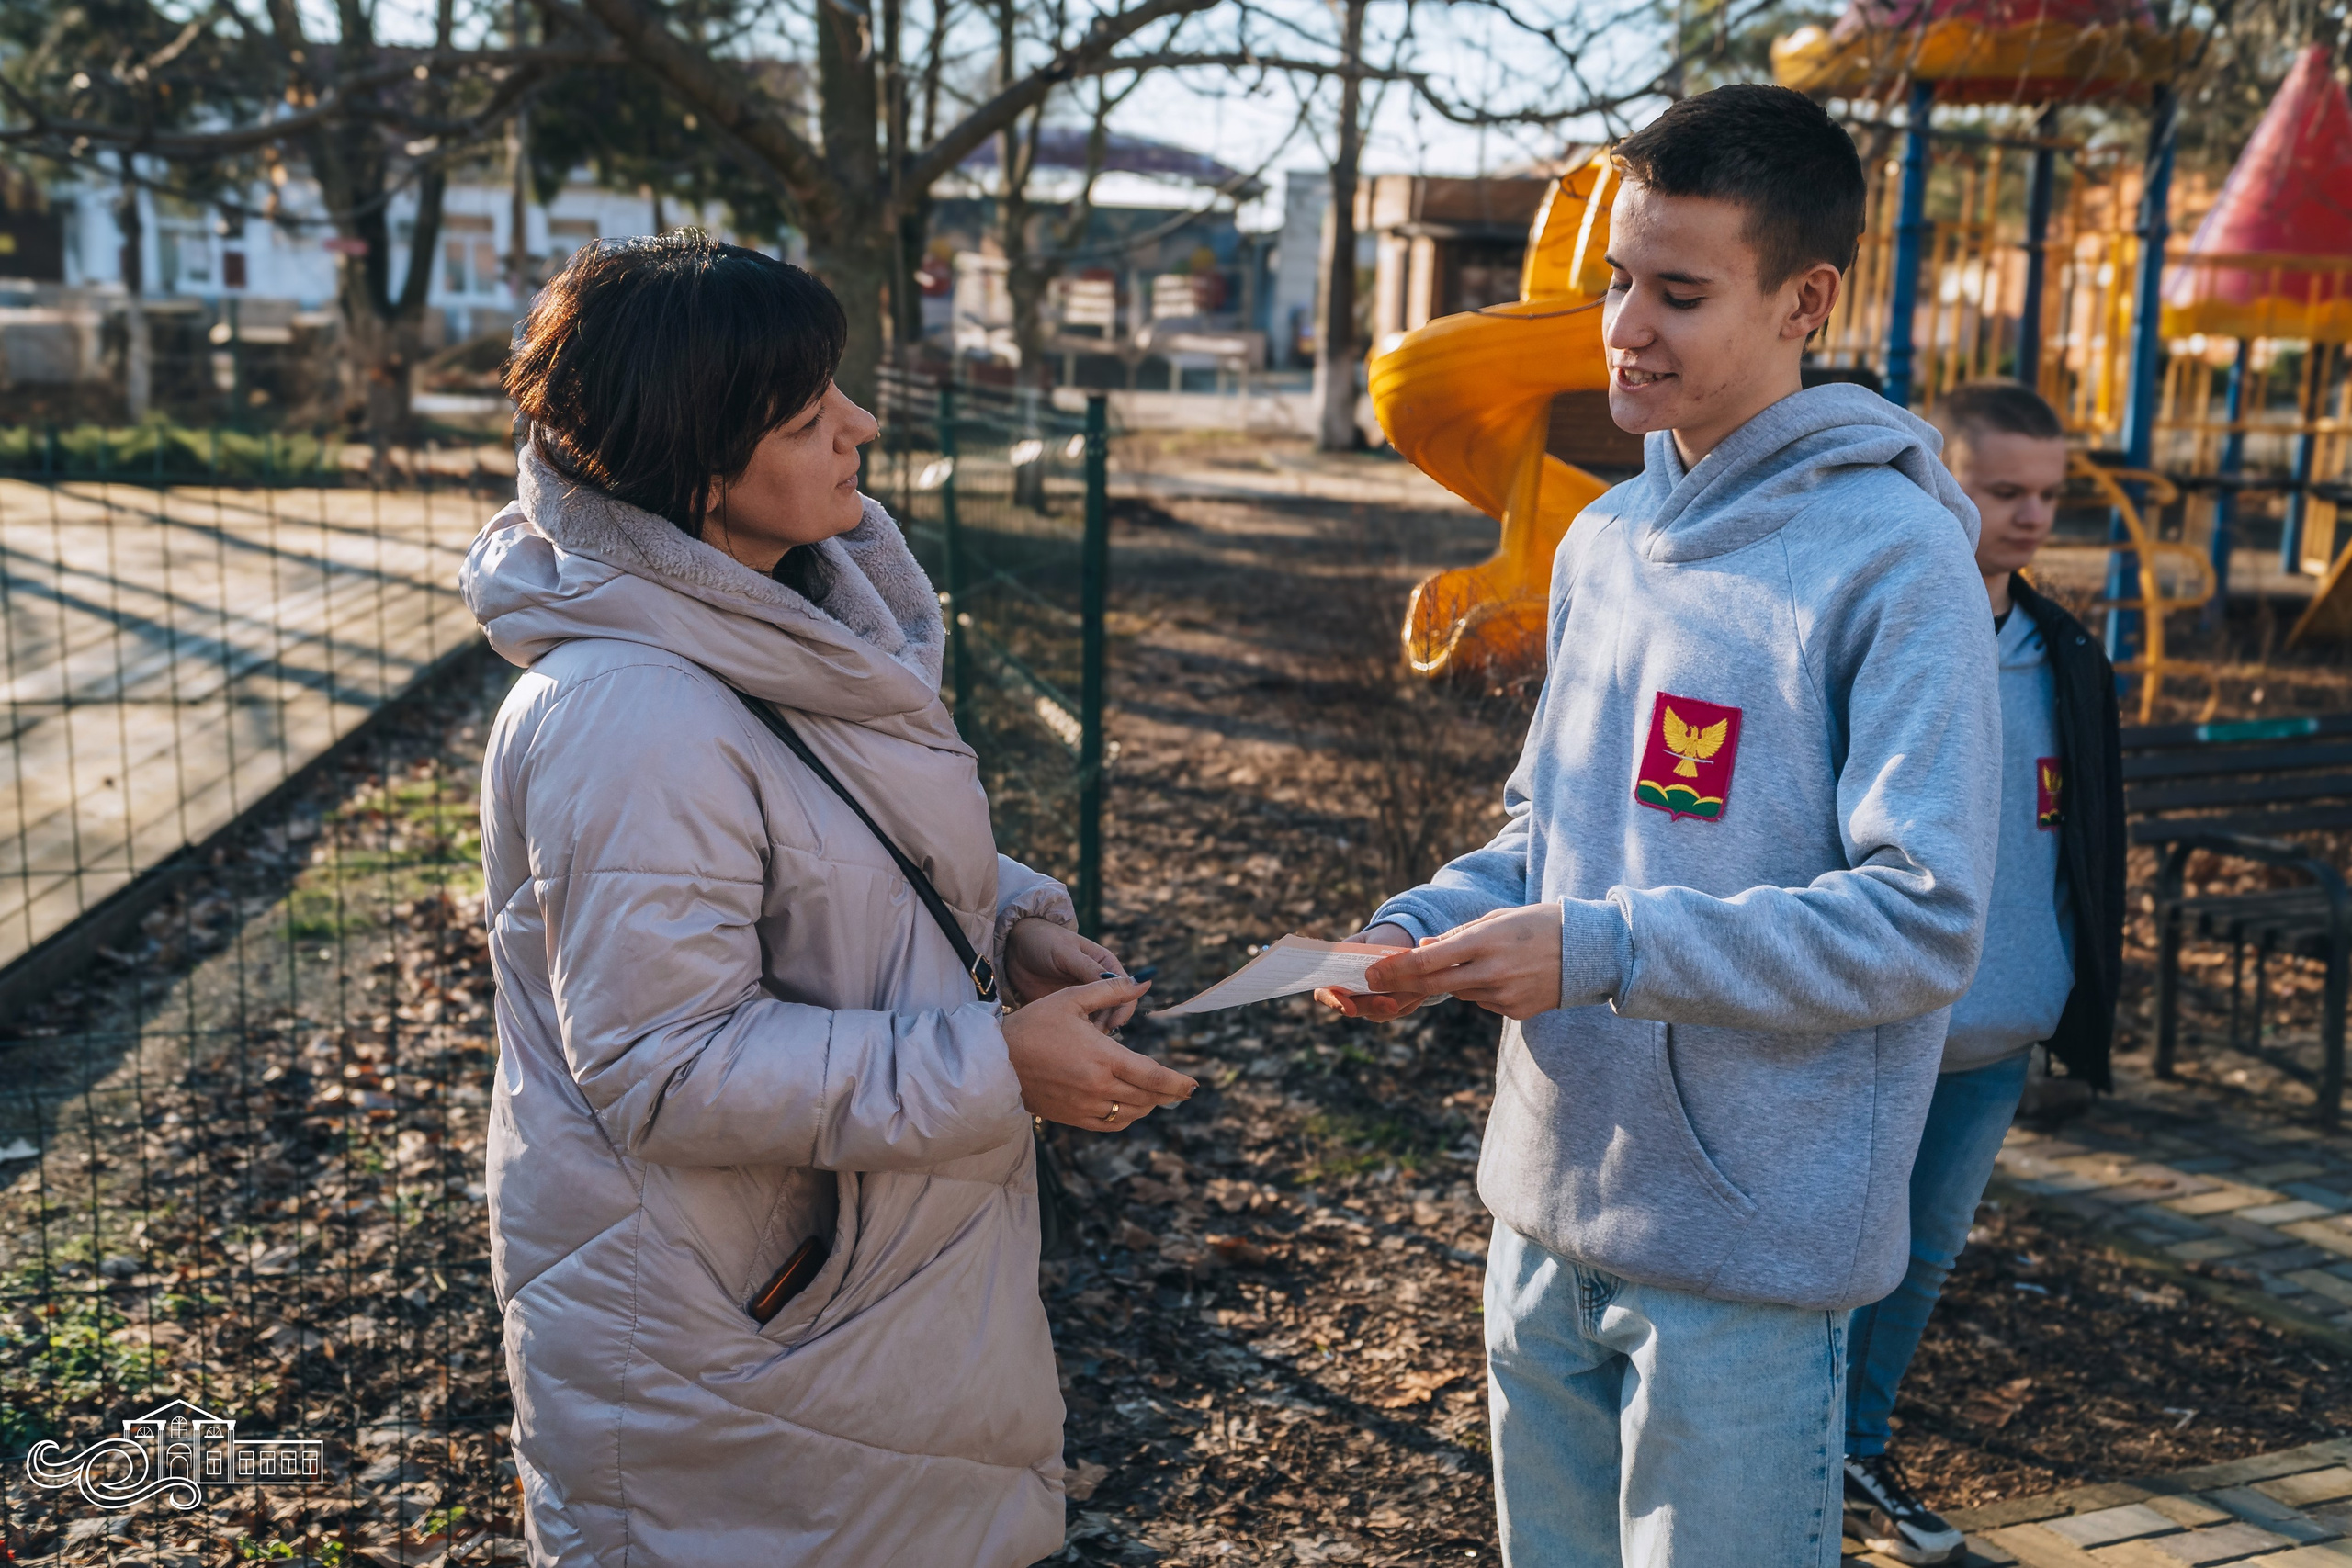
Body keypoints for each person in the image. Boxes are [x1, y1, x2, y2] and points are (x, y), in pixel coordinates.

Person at [1317, 85, 2001, 1567]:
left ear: (1805, 301)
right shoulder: (1602, 539)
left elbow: (1924, 920)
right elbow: (1546, 833)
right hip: (1541, 1212)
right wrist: (1420, 928)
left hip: (1747, 1265)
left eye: (1679, 294)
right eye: (1618, 281)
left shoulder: (1897, 564)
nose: (1624, 328)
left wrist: (1604, 948)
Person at [467, 233, 1192, 1567]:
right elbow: (663, 1065)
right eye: (807, 418)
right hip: (731, 1334)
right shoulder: (633, 713)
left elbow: (815, 847)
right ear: (699, 470)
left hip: (832, 1298)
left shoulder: (765, 623)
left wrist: (1007, 922)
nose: (860, 426)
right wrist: (995, 1064)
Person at [1841, 381, 2123, 1565]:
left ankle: (1855, 1456)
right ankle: (1789, 1466)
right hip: (1866, 1025)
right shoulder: (1880, 629)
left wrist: (2068, 990)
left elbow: (2082, 844)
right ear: (1938, 481)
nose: (2032, 517)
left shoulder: (2066, 657)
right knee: (1828, 1257)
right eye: (2004, 490)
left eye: (2049, 495)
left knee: (1923, 1255)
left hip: (1997, 1029)